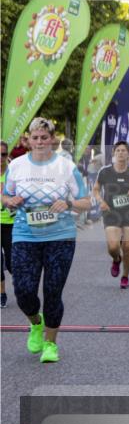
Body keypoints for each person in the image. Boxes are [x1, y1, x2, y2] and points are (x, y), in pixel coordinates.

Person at [1, 118, 92, 363]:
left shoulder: (66, 166)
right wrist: (8, 200)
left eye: (44, 137)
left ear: (52, 139)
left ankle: (51, 345)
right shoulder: (17, 165)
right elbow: (5, 193)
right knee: (23, 291)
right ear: (28, 140)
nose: (40, 142)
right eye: (35, 137)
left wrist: (70, 203)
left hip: (60, 237)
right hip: (24, 235)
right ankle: (35, 323)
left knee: (53, 291)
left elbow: (86, 201)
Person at [93, 141, 129, 289]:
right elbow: (96, 189)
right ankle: (116, 259)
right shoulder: (105, 171)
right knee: (113, 246)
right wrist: (100, 201)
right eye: (118, 150)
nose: (121, 153)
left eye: (124, 151)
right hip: (111, 211)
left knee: (128, 246)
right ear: (114, 153)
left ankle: (125, 276)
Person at [0, 141, 13, 308]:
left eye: (3, 154)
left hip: (11, 223)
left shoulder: (13, 173)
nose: (0, 158)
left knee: (11, 263)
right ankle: (2, 292)